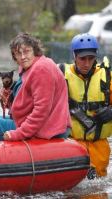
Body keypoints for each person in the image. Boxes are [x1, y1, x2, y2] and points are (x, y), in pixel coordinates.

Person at [0, 33, 71, 141]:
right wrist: (9, 100)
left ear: (35, 50)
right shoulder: (30, 67)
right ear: (14, 56)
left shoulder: (41, 69)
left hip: (48, 128)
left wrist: (17, 134)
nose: (23, 57)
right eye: (18, 53)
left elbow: (41, 110)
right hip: (42, 124)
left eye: (27, 51)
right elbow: (29, 104)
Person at [59, 33, 112, 179]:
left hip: (99, 148)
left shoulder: (107, 77)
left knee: (96, 190)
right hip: (70, 145)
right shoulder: (61, 74)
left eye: (91, 58)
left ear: (96, 57)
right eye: (82, 58)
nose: (87, 63)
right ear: (74, 56)